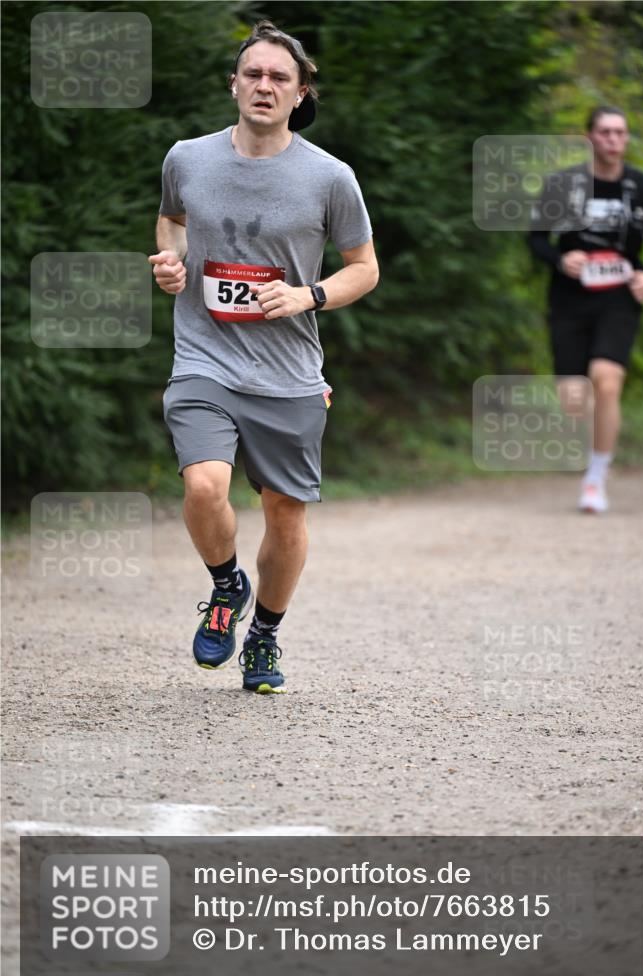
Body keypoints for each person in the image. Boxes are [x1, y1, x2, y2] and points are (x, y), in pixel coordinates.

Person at [148, 21, 378, 692]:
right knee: (203, 485)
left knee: (284, 512)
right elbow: (172, 221)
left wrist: (309, 296)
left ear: (300, 93)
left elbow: (363, 269)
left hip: (288, 371)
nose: (264, 86)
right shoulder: (186, 157)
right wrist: (172, 261)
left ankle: (265, 639)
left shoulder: (329, 177)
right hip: (204, 357)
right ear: (233, 84)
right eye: (253, 74)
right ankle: (227, 587)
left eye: (279, 77)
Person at [528, 105, 643, 513]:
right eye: (605, 132)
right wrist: (559, 259)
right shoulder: (563, 185)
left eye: (620, 133)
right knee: (574, 399)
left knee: (606, 380)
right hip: (570, 298)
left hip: (620, 297)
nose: (613, 140)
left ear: (626, 139)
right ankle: (592, 452)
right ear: (589, 137)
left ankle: (596, 476)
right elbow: (536, 238)